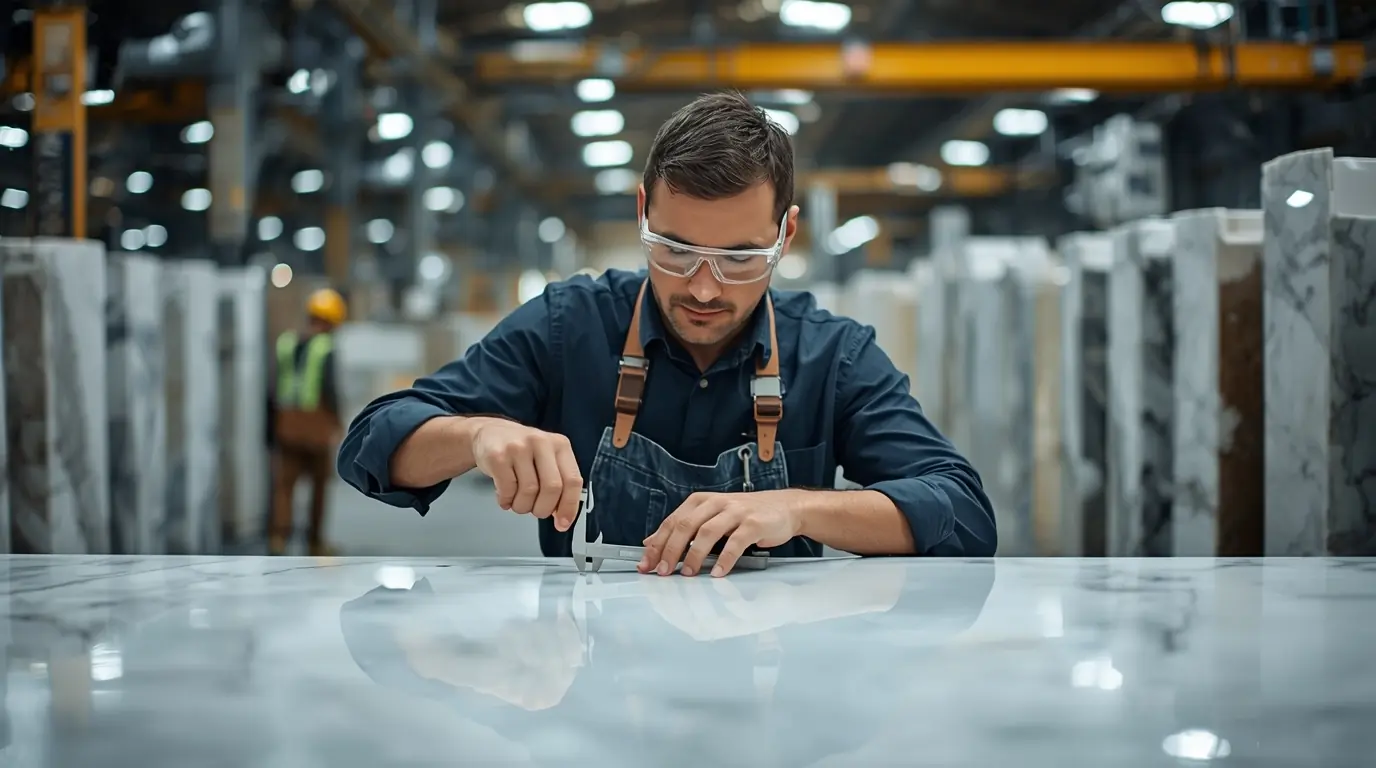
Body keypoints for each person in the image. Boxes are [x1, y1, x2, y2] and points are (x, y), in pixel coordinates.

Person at [338, 91, 997, 575]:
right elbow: (373, 444)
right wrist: (475, 435)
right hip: (591, 679)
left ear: (785, 236)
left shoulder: (832, 355)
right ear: (643, 212)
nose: (704, 287)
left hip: (781, 688)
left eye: (739, 258)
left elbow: (962, 513)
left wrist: (799, 509)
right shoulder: (571, 325)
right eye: (676, 250)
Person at [269, 287, 347, 556]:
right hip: (316, 425)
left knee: (284, 485)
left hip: (287, 422)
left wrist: (271, 425)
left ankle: (278, 538)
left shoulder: (287, 343)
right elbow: (330, 388)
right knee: (319, 485)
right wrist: (338, 421)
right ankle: (314, 542)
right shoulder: (325, 347)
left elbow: (273, 386)